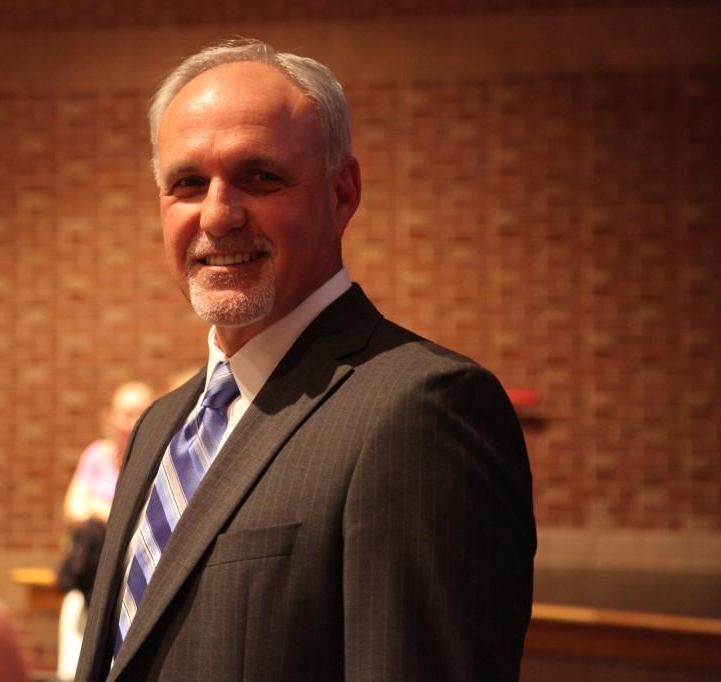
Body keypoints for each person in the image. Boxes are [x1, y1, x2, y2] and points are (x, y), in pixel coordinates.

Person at [76, 39, 536, 682]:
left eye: (260, 176)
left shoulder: (421, 410)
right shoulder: (159, 427)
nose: (218, 214)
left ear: (342, 192)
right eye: (187, 183)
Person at [58, 381, 153, 681]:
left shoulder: (157, 456)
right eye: (125, 413)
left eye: (140, 413)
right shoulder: (97, 455)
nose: (131, 422)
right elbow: (73, 511)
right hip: (88, 579)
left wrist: (98, 509)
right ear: (109, 417)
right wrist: (108, 512)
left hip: (134, 587)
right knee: (74, 669)